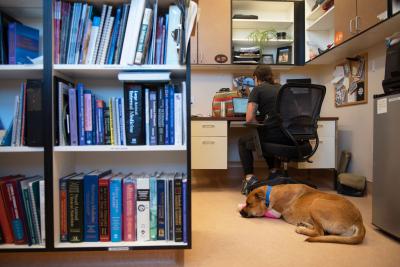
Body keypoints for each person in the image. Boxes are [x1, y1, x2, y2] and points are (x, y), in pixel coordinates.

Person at [239, 65, 293, 195]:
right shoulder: (284, 88)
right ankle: (274, 171)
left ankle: (249, 178)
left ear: (256, 78)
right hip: (291, 136)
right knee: (267, 133)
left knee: (243, 141)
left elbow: (249, 118)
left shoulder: (258, 89)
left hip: (273, 134)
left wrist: (258, 123)